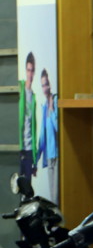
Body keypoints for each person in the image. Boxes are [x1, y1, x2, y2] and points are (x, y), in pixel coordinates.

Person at [38, 68, 58, 203]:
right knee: (52, 199)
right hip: (49, 158)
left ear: (50, 85)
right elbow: (42, 136)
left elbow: (58, 127)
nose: (45, 88)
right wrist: (36, 158)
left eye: (46, 84)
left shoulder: (55, 101)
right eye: (42, 85)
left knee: (56, 196)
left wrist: (52, 110)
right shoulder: (44, 106)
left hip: (57, 156)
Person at [18, 52, 38, 180]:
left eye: (32, 71)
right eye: (28, 70)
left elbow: (33, 129)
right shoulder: (19, 87)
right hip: (19, 148)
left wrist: (35, 160)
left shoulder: (34, 97)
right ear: (25, 70)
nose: (30, 74)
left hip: (30, 149)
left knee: (27, 189)